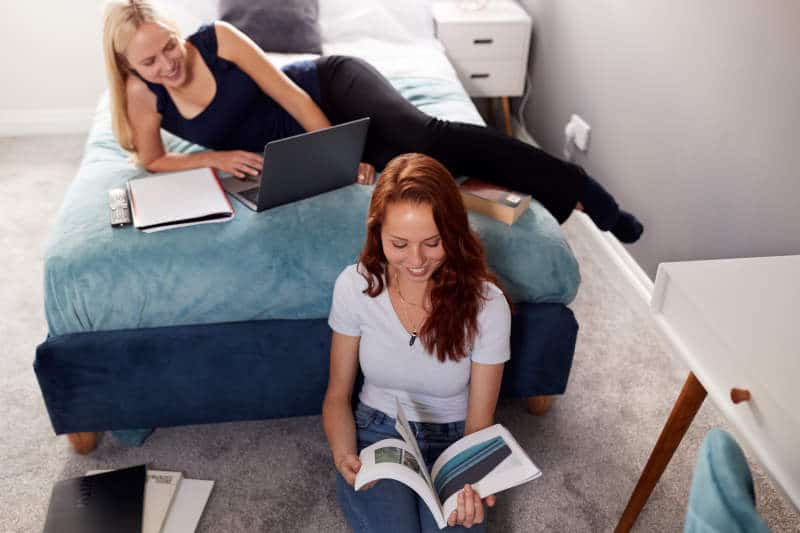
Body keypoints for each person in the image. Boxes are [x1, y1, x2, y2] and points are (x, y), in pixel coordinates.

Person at [102, 0, 643, 242]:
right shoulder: (142, 95)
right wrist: (214, 159)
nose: (167, 64)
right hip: (308, 141)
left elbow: (291, 95)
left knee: (426, 136)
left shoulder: (217, 40)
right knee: (414, 170)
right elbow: (150, 159)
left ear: (176, 34)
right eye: (149, 62)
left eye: (168, 46)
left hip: (330, 87)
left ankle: (587, 194)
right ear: (129, 68)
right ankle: (555, 193)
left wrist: (339, 155)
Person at [323, 153, 510, 532]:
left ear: (453, 234)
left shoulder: (488, 305)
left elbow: (479, 424)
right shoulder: (353, 286)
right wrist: (345, 455)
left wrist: (473, 481)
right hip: (379, 431)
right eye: (399, 244)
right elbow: (336, 397)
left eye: (432, 242)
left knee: (455, 524)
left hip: (456, 440)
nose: (417, 260)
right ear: (377, 234)